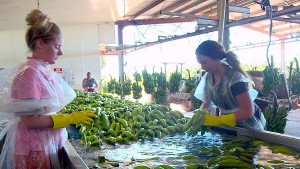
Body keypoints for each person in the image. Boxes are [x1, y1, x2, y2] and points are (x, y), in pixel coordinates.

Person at [0, 9, 96, 168]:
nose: (61, 52)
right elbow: (30, 121)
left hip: (45, 144)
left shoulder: (42, 72)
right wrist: (69, 118)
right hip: (33, 149)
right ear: (40, 43)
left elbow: (44, 111)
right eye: (57, 46)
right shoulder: (29, 75)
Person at [194, 40, 266, 130]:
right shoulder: (208, 78)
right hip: (228, 124)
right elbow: (207, 102)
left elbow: (248, 111)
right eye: (200, 63)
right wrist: (201, 112)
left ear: (216, 58)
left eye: (204, 62)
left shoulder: (235, 79)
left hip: (248, 126)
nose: (202, 67)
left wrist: (218, 120)